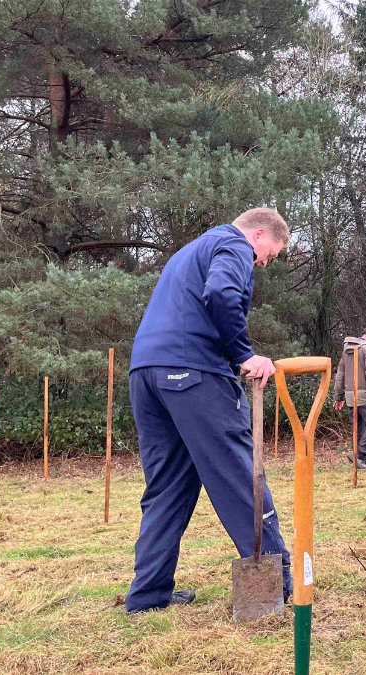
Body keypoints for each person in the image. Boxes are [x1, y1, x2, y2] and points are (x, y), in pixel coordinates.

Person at [125, 207, 290, 613]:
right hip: (193, 373)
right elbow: (220, 294)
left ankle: (148, 596)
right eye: (271, 252)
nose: (266, 262)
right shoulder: (233, 244)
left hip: (146, 374)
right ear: (259, 234)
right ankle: (279, 585)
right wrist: (244, 355)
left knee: (167, 486)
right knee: (239, 475)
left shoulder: (191, 250)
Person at [332, 325, 366, 469]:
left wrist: (339, 397)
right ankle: (359, 455)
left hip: (350, 397)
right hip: (365, 397)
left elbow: (339, 376)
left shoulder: (347, 351)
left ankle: (361, 461)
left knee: (358, 428)